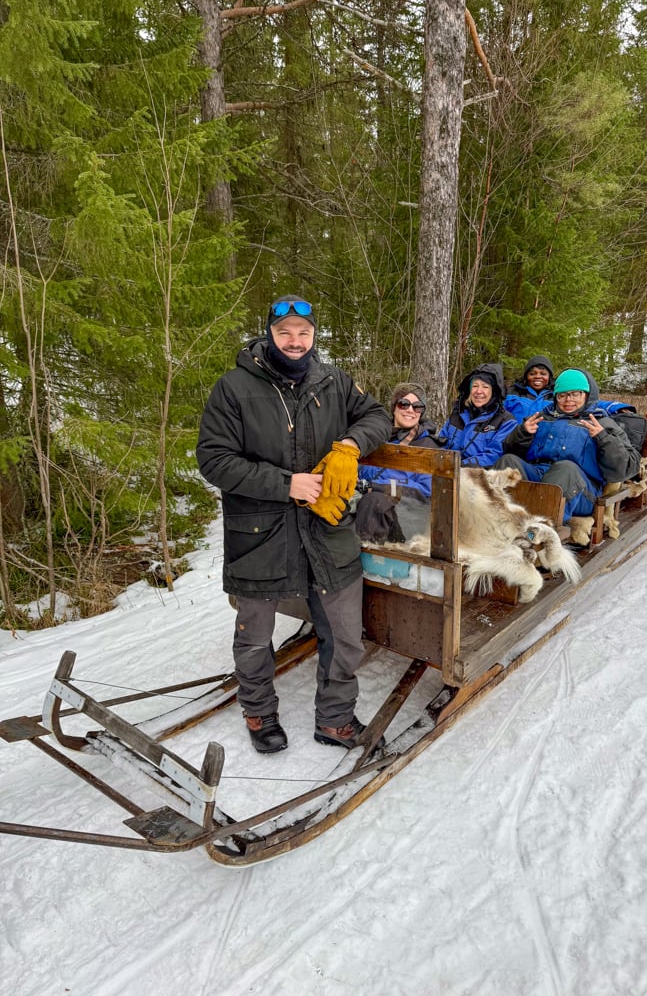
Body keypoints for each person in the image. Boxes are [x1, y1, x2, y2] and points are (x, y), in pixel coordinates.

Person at [196, 295, 391, 754]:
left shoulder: (335, 381)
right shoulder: (234, 387)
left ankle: (336, 720)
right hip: (260, 531)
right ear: (270, 334)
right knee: (254, 635)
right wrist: (287, 484)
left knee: (344, 634)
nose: (295, 341)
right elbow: (214, 459)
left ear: (314, 336)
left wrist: (348, 444)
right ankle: (259, 712)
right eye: (285, 332)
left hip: (328, 528)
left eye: (304, 332)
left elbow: (378, 416)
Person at [496, 368, 641, 523]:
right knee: (508, 462)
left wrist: (604, 438)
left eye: (575, 394)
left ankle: (541, 529)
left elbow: (627, 467)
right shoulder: (542, 418)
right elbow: (511, 449)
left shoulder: (602, 423)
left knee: (565, 469)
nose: (568, 400)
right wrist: (523, 433)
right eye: (562, 395)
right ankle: (495, 520)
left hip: (581, 490)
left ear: (586, 395)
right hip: (539, 477)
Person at [356, 383, 443, 543]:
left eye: (417, 406)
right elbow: (361, 469)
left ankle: (365, 560)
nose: (410, 410)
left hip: (409, 510)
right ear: (394, 407)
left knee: (375, 502)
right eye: (404, 404)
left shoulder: (427, 445)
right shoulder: (376, 437)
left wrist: (378, 486)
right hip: (366, 497)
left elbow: (425, 490)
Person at [438, 363, 517, 467]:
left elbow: (494, 455)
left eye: (485, 387)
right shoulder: (457, 413)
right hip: (446, 470)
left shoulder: (506, 421)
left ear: (494, 392)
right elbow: (440, 442)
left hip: (479, 476)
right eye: (475, 386)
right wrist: (443, 461)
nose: (479, 391)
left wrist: (459, 465)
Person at [504, 356, 555, 423]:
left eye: (543, 374)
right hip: (515, 433)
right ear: (526, 376)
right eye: (532, 374)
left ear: (549, 377)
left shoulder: (557, 396)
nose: (538, 376)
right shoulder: (510, 393)